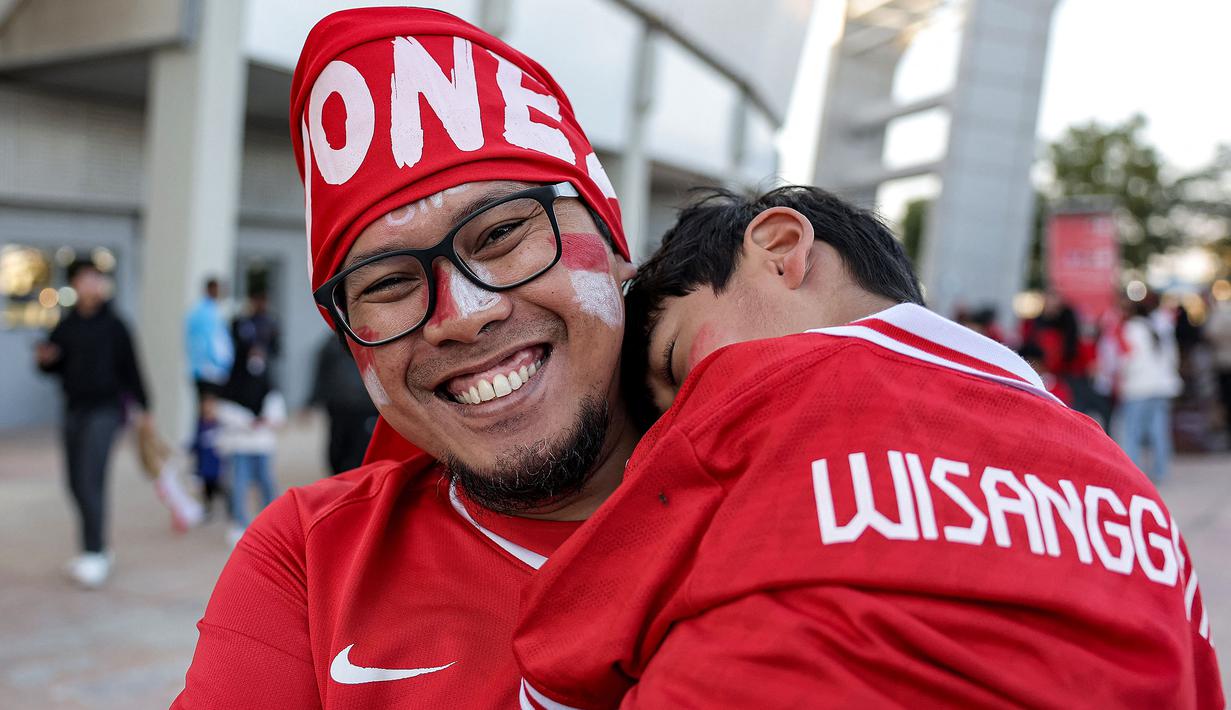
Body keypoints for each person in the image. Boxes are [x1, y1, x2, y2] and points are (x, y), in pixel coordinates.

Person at [514, 187, 1222, 708]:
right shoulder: (1126, 486)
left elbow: (561, 660)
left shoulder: (756, 385)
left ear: (781, 250)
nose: (669, 428)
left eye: (674, 364)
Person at [174, 8, 635, 706]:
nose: (464, 315)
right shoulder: (309, 561)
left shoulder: (809, 478)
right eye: (388, 283)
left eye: (504, 233)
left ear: (614, 240)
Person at [34, 258, 151, 588]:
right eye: (84, 279)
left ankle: (95, 552)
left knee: (90, 479)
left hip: (106, 410)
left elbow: (132, 367)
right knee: (74, 482)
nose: (90, 285)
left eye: (95, 279)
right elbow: (52, 365)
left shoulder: (115, 325)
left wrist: (145, 407)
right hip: (74, 408)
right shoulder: (67, 324)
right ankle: (94, 548)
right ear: (75, 284)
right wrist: (46, 361)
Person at [1116, 295, 1183, 483]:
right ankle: (1161, 472)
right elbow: (1172, 356)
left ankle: (1131, 477)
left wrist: (1121, 375)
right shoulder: (1159, 326)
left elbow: (1129, 359)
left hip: (1138, 387)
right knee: (1159, 431)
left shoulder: (1131, 328)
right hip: (1161, 386)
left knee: (1131, 432)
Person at [308, 334, 379, 475]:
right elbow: (320, 375)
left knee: (361, 445)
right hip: (338, 406)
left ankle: (357, 477)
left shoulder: (371, 341)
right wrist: (312, 401)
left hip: (364, 407)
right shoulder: (331, 345)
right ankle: (339, 477)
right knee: (337, 445)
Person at [185, 277, 234, 399]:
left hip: (211, 370)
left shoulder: (212, 311)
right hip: (208, 369)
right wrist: (220, 362)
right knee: (208, 407)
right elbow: (209, 343)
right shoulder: (204, 313)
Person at [1207, 292, 1231, 436]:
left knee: (1226, 400)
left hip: (1224, 364)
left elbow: (1210, 334)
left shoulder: (1219, 317)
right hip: (1223, 364)